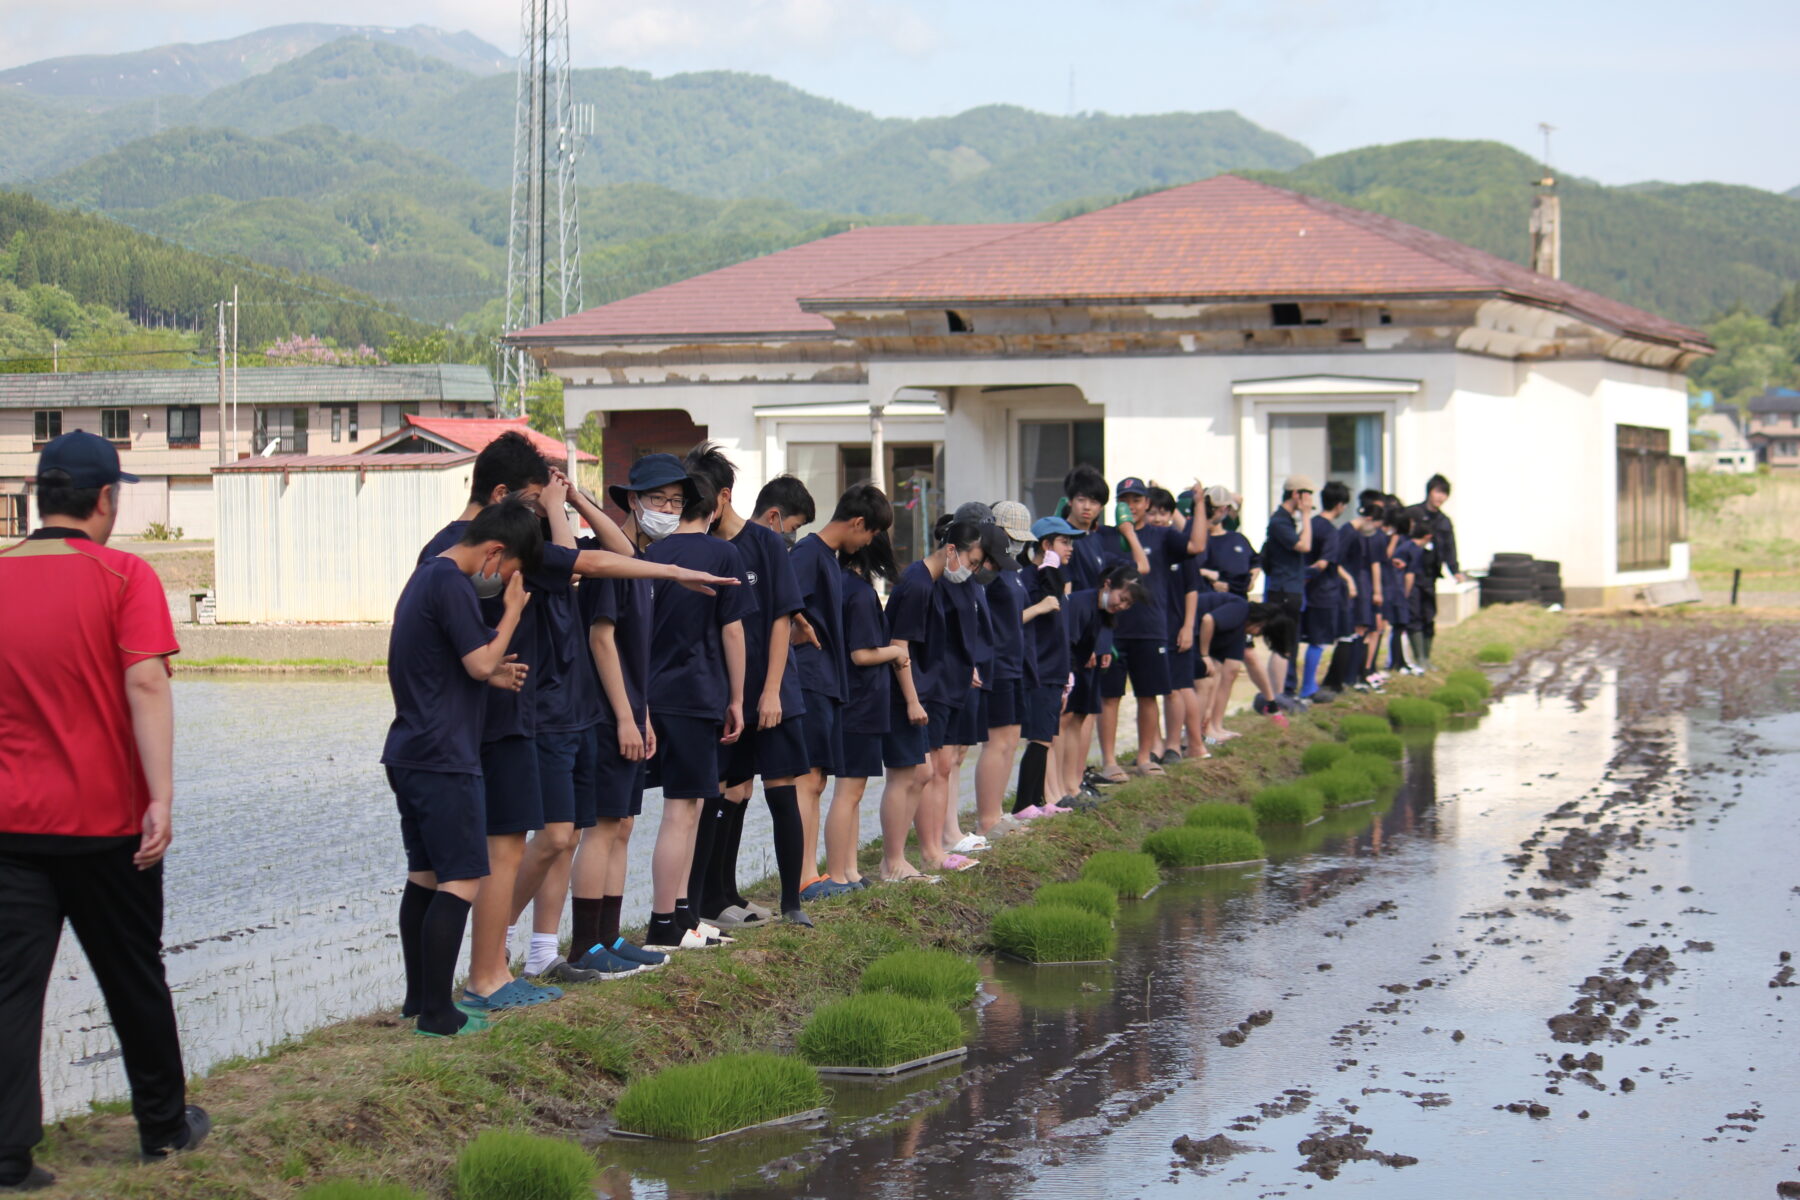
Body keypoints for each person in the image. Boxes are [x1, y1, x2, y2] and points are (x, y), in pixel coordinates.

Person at [415, 437, 732, 1003]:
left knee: (531, 843)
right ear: (502, 497)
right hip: (492, 723)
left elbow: (595, 558)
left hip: (522, 716)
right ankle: (482, 975)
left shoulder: (520, 547)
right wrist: (489, 668)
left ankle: (486, 974)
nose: (539, 513)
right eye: (534, 500)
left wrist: (662, 567)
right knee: (491, 855)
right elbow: (441, 644)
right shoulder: (455, 557)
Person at [0, 432, 211, 1191]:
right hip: (106, 824)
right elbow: (146, 684)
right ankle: (163, 1128)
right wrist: (161, 797)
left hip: (10, 828)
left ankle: (7, 1156)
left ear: (36, 498)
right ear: (104, 500)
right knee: (132, 976)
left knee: (11, 990)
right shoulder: (123, 575)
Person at [385, 498, 541, 1037]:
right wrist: (513, 612)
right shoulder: (454, 582)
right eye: (512, 572)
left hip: (409, 749)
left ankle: (418, 1000)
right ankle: (439, 1014)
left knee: (425, 876)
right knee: (463, 878)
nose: (505, 582)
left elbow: (441, 661)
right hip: (443, 756)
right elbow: (476, 659)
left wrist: (489, 675)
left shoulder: (426, 576)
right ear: (496, 552)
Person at [682, 444, 813, 930]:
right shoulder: (698, 548)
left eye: (695, 499)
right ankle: (705, 904)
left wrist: (772, 690)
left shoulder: (765, 543)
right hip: (723, 697)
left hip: (772, 690)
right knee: (721, 795)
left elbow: (783, 619)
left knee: (782, 790)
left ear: (722, 496)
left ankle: (791, 903)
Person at [792, 484, 892, 901]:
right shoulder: (807, 555)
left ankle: (811, 875)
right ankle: (802, 878)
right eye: (871, 533)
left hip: (828, 682)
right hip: (809, 679)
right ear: (857, 523)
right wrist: (802, 637)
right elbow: (780, 613)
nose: (869, 543)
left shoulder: (828, 561)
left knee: (816, 780)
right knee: (806, 780)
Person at [880, 517, 985, 878]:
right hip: (906, 693)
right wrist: (911, 699)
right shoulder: (918, 584)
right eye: (971, 562)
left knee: (922, 773)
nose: (970, 571)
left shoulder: (929, 580)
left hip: (918, 692)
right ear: (951, 550)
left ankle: (906, 857)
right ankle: (893, 861)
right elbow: (899, 646)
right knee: (908, 775)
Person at [818, 529, 905, 892]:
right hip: (861, 700)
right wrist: (897, 652)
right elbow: (863, 653)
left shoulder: (840, 585)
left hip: (853, 699)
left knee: (852, 791)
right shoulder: (859, 592)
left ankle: (850, 870)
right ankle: (838, 872)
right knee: (848, 791)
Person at [975, 501, 1038, 837]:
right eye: (1011, 537)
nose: (1017, 544)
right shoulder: (987, 572)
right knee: (997, 741)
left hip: (1014, 662)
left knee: (1012, 738)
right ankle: (987, 818)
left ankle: (998, 812)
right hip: (995, 663)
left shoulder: (1012, 571)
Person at [1013, 516, 1077, 817]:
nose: (1071, 548)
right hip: (1037, 668)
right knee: (1038, 736)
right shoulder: (1028, 578)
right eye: (1065, 542)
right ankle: (1023, 803)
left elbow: (1060, 626)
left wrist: (1068, 670)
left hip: (1055, 669)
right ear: (1046, 545)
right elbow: (1016, 621)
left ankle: (1038, 800)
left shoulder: (1055, 578)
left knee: (1046, 736)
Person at [1259, 475, 1315, 707]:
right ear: (1296, 494)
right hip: (1283, 590)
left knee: (1288, 643)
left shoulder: (1287, 521)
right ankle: (1279, 694)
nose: (1311, 500)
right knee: (1283, 643)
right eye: (1308, 494)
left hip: (1288, 588)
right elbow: (1305, 545)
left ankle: (1284, 692)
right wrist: (1307, 515)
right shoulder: (1280, 521)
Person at [1299, 481, 1352, 702]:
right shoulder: (1331, 531)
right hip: (1323, 592)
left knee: (1309, 639)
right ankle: (1308, 688)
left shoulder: (1310, 524)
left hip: (1307, 591)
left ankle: (1305, 686)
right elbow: (1323, 563)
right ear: (1339, 505)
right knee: (1318, 640)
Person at [1405, 475, 1463, 667]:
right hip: (1411, 573)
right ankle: (1418, 658)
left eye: (1444, 493)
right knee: (1413, 614)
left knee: (1429, 615)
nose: (1440, 497)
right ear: (1429, 492)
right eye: (1437, 491)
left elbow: (1449, 548)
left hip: (1430, 575)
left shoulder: (1444, 521)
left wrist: (1455, 570)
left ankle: (1426, 658)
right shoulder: (1412, 513)